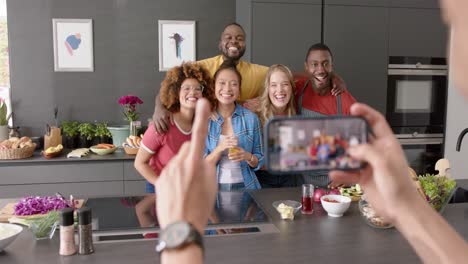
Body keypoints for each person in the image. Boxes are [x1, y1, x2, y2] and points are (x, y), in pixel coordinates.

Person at [155, 1, 468, 262]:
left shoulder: (282, 88)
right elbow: (177, 80)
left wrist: (179, 235)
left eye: (452, 18)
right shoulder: (207, 71)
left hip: (297, 186)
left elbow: (304, 76)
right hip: (252, 189)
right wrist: (161, 107)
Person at [152, 23, 345, 134]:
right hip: (201, 134)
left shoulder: (256, 71)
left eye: (239, 38)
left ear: (244, 44)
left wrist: (329, 76)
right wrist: (158, 108)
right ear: (220, 43)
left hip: (243, 139)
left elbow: (286, 75)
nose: (234, 41)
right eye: (228, 38)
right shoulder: (203, 67)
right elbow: (170, 84)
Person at [133, 62, 215, 228]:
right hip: (160, 189)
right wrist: (162, 185)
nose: (193, 92)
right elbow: (139, 163)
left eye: (198, 88)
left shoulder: (205, 126)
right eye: (186, 88)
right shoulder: (162, 125)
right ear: (176, 93)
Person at [296, 43, 358, 188]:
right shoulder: (298, 86)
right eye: (314, 64)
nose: (320, 69)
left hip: (332, 184)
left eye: (325, 64)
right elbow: (276, 75)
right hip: (299, 182)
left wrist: (352, 176)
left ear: (332, 66)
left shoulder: (346, 101)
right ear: (306, 67)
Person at [204, 60, 263, 191]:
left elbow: (260, 159)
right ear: (214, 87)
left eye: (234, 84)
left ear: (239, 89)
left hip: (248, 187)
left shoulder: (251, 118)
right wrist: (220, 148)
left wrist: (247, 156)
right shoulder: (205, 120)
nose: (227, 89)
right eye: (222, 83)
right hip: (212, 190)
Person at [256, 64, 299, 188]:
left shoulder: (296, 115)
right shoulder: (256, 117)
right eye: (274, 85)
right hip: (262, 178)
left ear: (292, 87)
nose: (279, 90)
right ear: (267, 88)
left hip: (289, 178)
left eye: (285, 84)